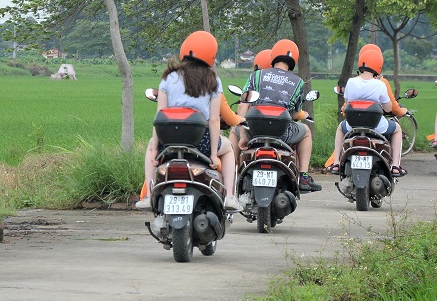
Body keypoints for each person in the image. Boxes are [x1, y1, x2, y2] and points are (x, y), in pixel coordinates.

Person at [136, 31, 241, 211]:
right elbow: (214, 120)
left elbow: (160, 116)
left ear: (185, 49)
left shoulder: (168, 77)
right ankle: (230, 197)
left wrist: (155, 147)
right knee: (229, 150)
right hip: (202, 143)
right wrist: (214, 155)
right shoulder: (213, 80)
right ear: (211, 55)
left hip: (167, 142)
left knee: (149, 149)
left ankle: (148, 196)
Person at [237, 39, 321, 192]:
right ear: (294, 59)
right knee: (306, 132)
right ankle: (303, 176)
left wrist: (243, 134)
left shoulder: (256, 76)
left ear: (273, 56)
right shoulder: (298, 82)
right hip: (282, 133)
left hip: (255, 131)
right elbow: (295, 113)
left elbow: (243, 104)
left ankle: (234, 173)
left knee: (234, 133)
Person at [324, 44, 406, 173]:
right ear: (379, 65)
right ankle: (395, 166)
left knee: (340, 127)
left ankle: (336, 162)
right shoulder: (380, 84)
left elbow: (347, 104)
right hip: (377, 126)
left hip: (353, 125)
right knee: (397, 130)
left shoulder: (351, 82)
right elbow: (389, 107)